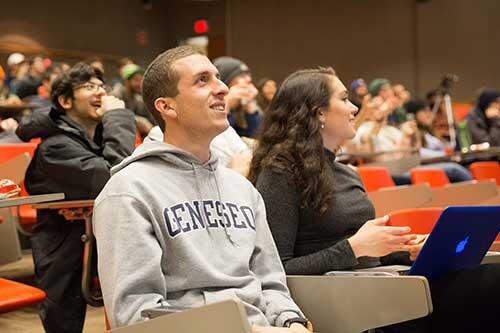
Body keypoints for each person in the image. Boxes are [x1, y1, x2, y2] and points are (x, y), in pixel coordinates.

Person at [249, 67, 500, 332]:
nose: (355, 108)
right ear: (318, 111)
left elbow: (367, 253)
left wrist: (405, 250)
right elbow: (277, 270)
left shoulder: (345, 172)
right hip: (342, 300)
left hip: (377, 283)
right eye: (344, 99)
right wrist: (354, 248)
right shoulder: (280, 172)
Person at [93, 46, 311, 332]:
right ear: (167, 106)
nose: (221, 88)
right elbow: (135, 315)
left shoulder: (242, 189)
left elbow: (271, 282)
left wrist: (291, 321)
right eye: (202, 80)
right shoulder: (128, 192)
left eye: (218, 78)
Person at [16, 62, 136, 333]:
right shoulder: (55, 146)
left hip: (92, 240)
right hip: (63, 249)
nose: (101, 94)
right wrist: (118, 118)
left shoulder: (94, 138)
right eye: (89, 87)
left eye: (101, 87)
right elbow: (116, 177)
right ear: (65, 101)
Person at [213, 56, 262, 138]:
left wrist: (251, 108)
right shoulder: (209, 106)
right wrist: (226, 106)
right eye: (242, 76)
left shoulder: (241, 105)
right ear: (224, 82)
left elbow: (253, 137)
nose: (249, 79)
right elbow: (219, 139)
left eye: (248, 75)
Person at [112, 63, 157, 136]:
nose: (140, 84)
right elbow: (115, 116)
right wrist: (138, 120)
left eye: (141, 80)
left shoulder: (137, 98)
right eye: (136, 80)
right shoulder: (116, 94)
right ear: (127, 81)